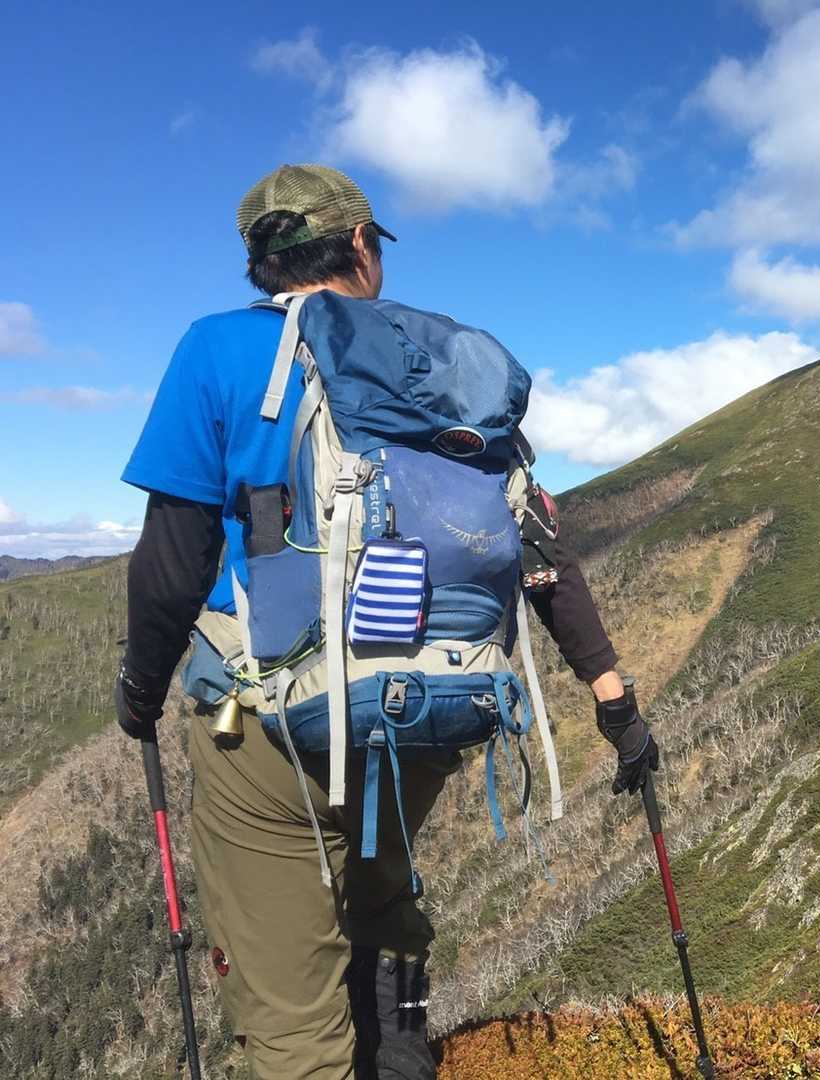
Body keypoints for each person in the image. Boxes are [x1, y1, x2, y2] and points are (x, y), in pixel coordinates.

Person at [114, 163, 661, 1080]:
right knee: (381, 897)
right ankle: (400, 1047)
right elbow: (538, 549)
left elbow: (172, 566)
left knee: (293, 1019)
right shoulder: (446, 365)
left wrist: (139, 693)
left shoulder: (217, 350)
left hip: (269, 730)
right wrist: (615, 703)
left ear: (258, 260)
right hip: (427, 707)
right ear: (362, 245)